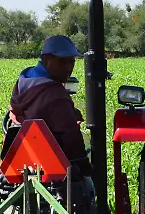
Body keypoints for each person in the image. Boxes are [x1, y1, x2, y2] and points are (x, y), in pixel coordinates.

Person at [8, 34, 90, 175]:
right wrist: (85, 167)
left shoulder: (24, 80)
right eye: (62, 62)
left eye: (72, 62)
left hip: (17, 160)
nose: (68, 67)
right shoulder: (55, 93)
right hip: (50, 166)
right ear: (46, 59)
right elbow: (71, 136)